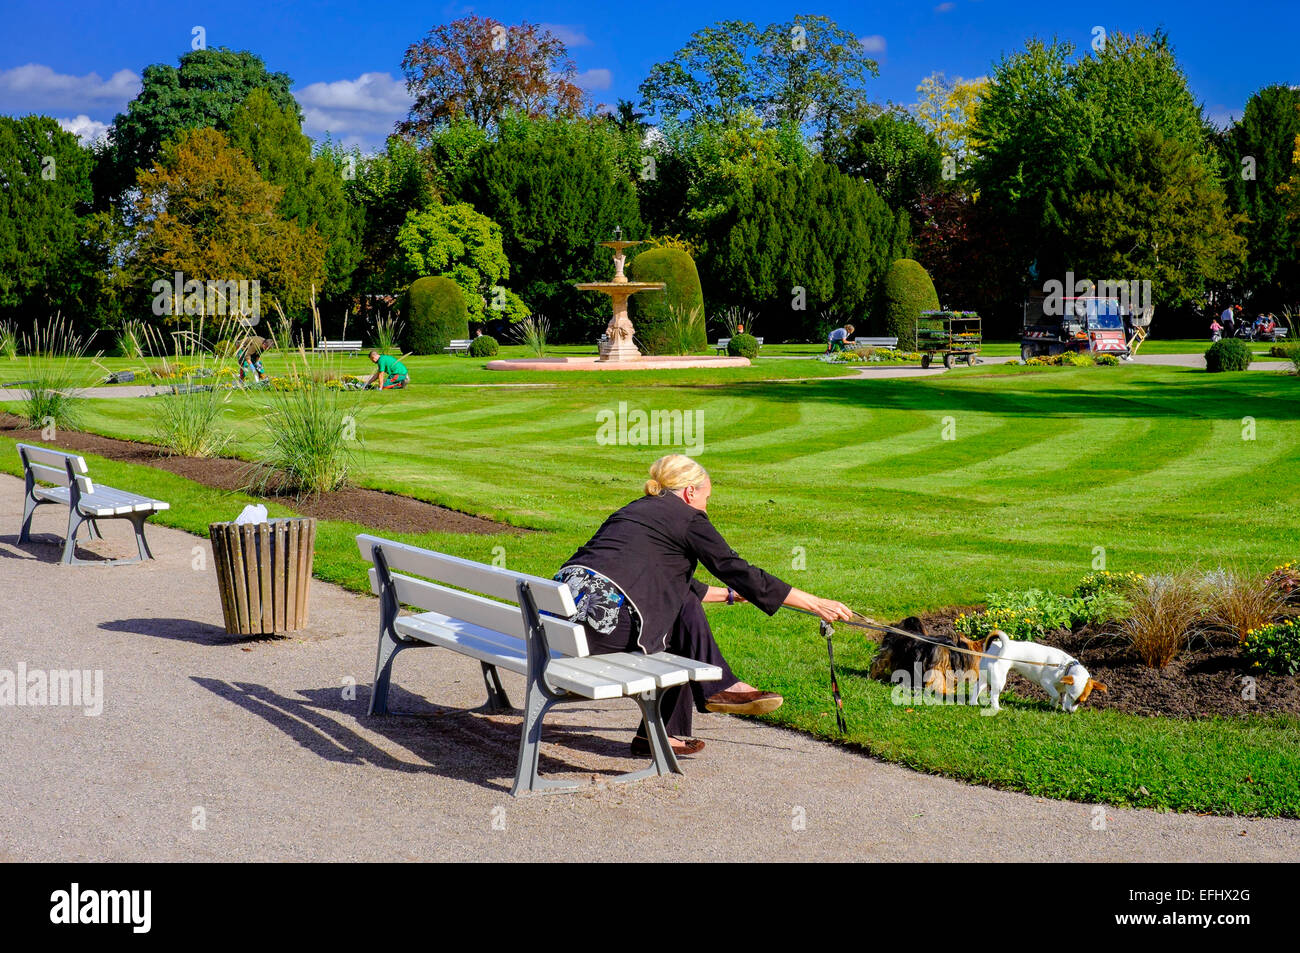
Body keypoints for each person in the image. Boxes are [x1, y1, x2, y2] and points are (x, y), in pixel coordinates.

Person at [555, 454, 853, 757]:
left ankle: (667, 729)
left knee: (679, 607)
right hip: (606, 631)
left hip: (564, 622)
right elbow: (735, 568)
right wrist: (815, 603)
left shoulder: (633, 511)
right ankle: (715, 691)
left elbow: (660, 580)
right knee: (678, 625)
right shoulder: (688, 518)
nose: (707, 507)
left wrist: (730, 596)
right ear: (690, 492)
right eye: (707, 498)